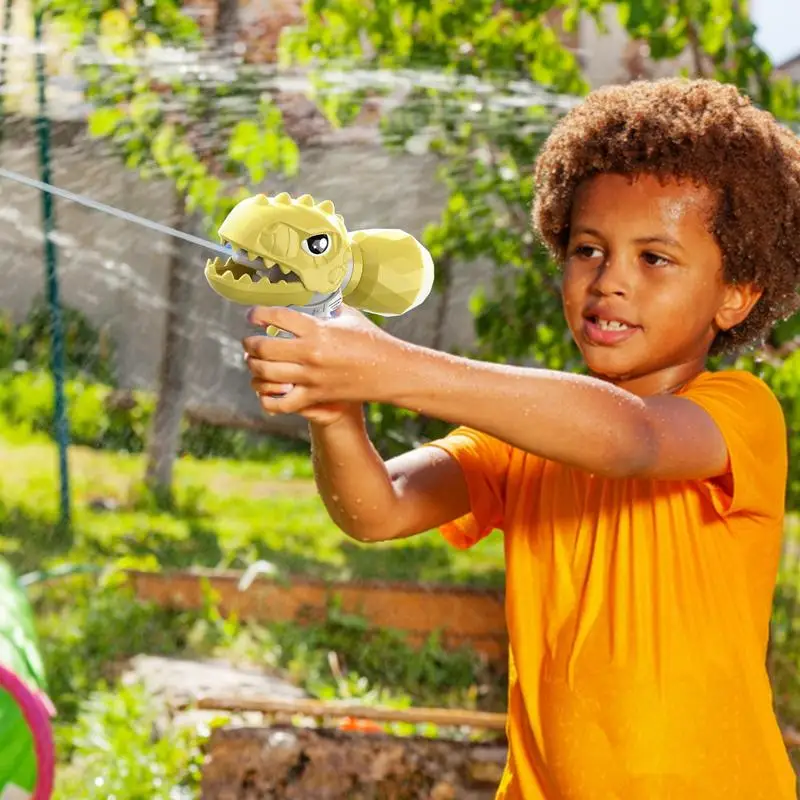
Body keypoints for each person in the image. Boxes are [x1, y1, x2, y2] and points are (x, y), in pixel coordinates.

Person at [241, 78, 800, 799]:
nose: (610, 282)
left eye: (654, 259)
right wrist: (333, 403)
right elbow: (376, 509)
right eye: (588, 249)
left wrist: (386, 364)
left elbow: (630, 439)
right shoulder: (528, 432)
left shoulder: (737, 413)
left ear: (736, 295)